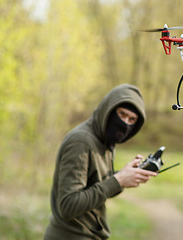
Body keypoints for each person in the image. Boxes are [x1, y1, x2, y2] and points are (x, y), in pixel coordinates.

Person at [44, 84, 157, 240]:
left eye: (132, 119)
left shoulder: (105, 142)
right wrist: (118, 180)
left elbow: (96, 188)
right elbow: (68, 205)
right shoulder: (81, 142)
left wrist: (125, 177)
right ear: (108, 110)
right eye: (122, 114)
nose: (125, 123)